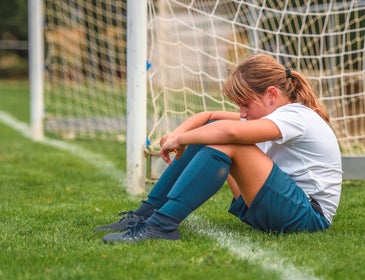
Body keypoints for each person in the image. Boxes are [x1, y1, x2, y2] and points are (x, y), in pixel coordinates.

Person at [95, 53, 342, 243]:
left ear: (271, 94)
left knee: (229, 140)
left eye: (245, 104)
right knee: (214, 130)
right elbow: (210, 116)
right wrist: (178, 133)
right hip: (278, 205)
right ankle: (146, 213)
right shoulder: (275, 114)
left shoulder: (296, 116)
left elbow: (230, 132)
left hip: (309, 216)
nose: (242, 113)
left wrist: (181, 141)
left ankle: (161, 225)